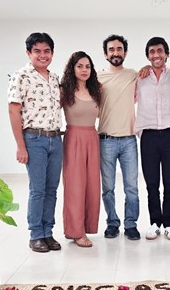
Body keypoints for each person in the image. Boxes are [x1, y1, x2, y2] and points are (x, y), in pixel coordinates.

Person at [8, 32, 64, 253]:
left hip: (55, 139)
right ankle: (36, 235)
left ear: (52, 53)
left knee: (52, 190)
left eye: (47, 51)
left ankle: (48, 232)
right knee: (37, 189)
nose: (43, 55)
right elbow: (13, 111)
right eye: (37, 51)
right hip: (34, 139)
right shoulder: (20, 76)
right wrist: (20, 146)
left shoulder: (55, 78)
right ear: (28, 53)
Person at [135, 37, 170, 241]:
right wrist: (144, 68)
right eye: (152, 52)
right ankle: (155, 223)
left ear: (167, 54)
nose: (156, 55)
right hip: (148, 135)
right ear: (148, 56)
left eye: (160, 51)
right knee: (151, 183)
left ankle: (169, 224)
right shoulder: (140, 78)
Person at [96, 34, 142, 241]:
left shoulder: (133, 75)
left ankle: (131, 224)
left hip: (129, 140)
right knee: (108, 188)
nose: (115, 52)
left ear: (125, 52)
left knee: (132, 187)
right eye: (111, 49)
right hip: (106, 140)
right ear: (106, 54)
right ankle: (112, 223)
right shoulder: (97, 77)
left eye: (119, 49)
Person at [59, 52, 103, 247]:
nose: (84, 70)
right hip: (73, 138)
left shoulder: (97, 90)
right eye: (80, 66)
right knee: (75, 187)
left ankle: (86, 227)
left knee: (92, 186)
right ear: (72, 68)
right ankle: (76, 231)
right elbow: (50, 112)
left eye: (88, 66)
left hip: (92, 138)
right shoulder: (64, 91)